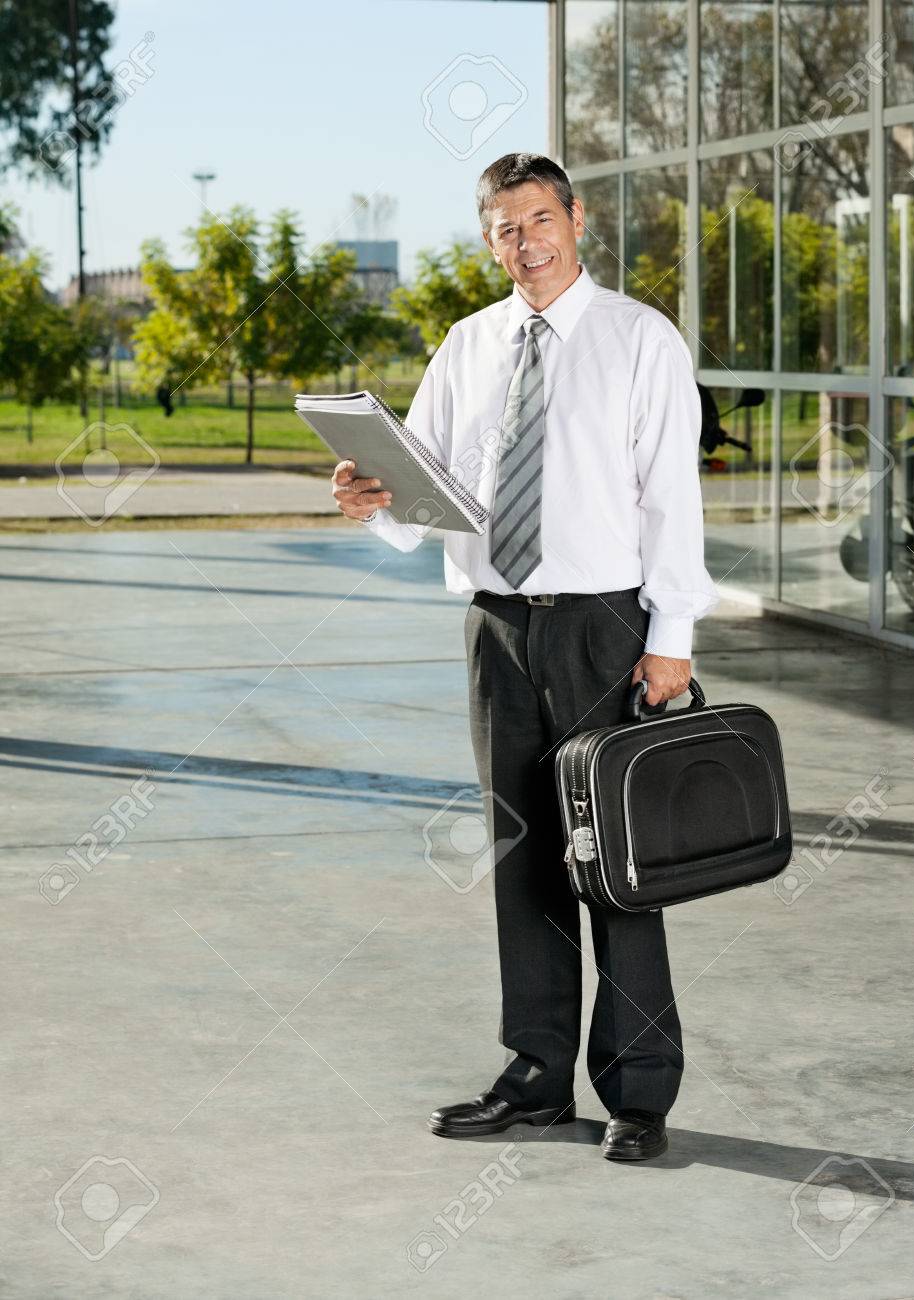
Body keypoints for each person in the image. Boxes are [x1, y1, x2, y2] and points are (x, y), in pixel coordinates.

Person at [331, 152, 719, 1162]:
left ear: (575, 220)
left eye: (540, 219)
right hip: (497, 628)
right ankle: (537, 1075)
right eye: (505, 228)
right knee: (522, 857)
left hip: (602, 626)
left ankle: (639, 1093)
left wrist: (669, 641)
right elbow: (423, 485)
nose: (525, 242)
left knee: (614, 862)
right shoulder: (467, 345)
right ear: (486, 237)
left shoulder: (640, 339)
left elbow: (672, 500)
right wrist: (373, 499)